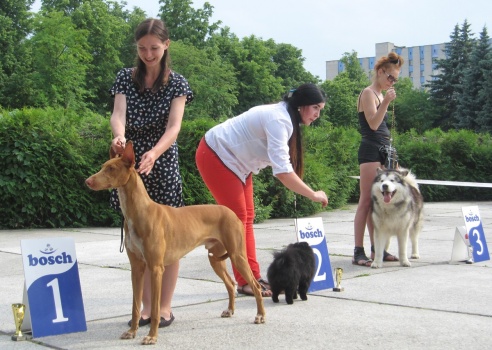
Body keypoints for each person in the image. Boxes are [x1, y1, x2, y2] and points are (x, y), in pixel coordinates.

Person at [195, 84, 329, 297]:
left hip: (237, 163)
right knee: (237, 220)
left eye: (320, 109)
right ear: (301, 105)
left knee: (247, 218)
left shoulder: (285, 117)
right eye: (315, 107)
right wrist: (312, 194)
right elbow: (283, 172)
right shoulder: (280, 120)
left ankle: (251, 276)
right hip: (216, 154)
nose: (317, 114)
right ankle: (246, 280)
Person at [109, 18, 193, 326]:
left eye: (154, 48)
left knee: (167, 242)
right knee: (138, 241)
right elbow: (118, 116)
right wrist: (119, 136)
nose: (148, 54)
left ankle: (164, 308)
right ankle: (146, 308)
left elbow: (175, 127)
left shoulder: (178, 83)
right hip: (129, 164)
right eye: (142, 48)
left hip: (161, 163)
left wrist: (155, 153)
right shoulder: (124, 78)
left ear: (166, 45)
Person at [352, 52, 404, 266]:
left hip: (383, 151)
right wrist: (386, 102)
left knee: (377, 203)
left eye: (395, 80)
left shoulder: (380, 95)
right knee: (365, 200)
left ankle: (377, 250)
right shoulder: (368, 93)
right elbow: (373, 124)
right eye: (390, 77)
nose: (392, 82)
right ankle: (358, 251)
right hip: (371, 150)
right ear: (381, 72)